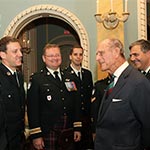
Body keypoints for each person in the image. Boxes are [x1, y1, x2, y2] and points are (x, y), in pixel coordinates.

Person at [95, 38, 150, 150]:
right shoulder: (113, 81)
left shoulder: (137, 82)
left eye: (101, 53)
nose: (97, 58)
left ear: (115, 52)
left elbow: (147, 125)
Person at [27, 44, 82, 150]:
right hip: (48, 130)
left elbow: (76, 103)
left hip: (68, 129)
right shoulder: (37, 79)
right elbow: (32, 109)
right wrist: (36, 135)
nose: (55, 58)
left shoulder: (70, 77)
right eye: (51, 56)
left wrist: (77, 127)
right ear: (44, 58)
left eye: (57, 55)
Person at [64, 44, 94, 150]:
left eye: (80, 54)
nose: (78, 57)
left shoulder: (87, 74)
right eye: (75, 54)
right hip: (71, 120)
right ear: (70, 56)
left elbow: (90, 96)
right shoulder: (65, 75)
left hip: (86, 119)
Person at [0, 36, 25, 150]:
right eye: (15, 51)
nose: (20, 54)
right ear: (3, 55)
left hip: (18, 139)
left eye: (20, 50)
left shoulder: (19, 75)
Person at [91, 76, 109, 141]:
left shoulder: (128, 83)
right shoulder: (100, 85)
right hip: (103, 127)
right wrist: (94, 130)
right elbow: (95, 109)